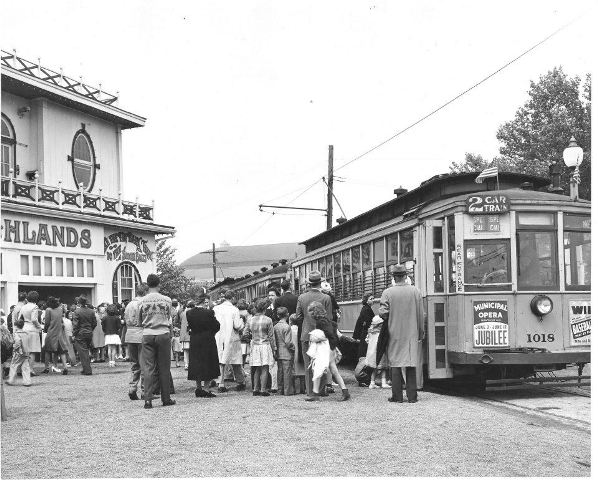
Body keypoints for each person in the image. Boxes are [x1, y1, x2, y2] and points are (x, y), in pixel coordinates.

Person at [378, 264, 424, 403]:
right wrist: (420, 332)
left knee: (395, 364)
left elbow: (383, 313)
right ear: (406, 276)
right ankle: (412, 397)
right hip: (411, 333)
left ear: (394, 277)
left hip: (394, 333)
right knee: (410, 364)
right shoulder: (416, 291)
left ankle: (397, 397)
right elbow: (421, 315)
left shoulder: (388, 292)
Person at [138, 273, 175, 409]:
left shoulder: (141, 301)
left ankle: (148, 400)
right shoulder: (167, 300)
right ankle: (166, 398)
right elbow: (169, 317)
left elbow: (139, 321)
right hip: (163, 334)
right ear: (159, 284)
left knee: (148, 368)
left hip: (147, 334)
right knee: (164, 367)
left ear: (147, 285)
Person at [295, 271, 333, 398]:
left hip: (306, 335)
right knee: (321, 363)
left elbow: (298, 317)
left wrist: (307, 322)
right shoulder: (326, 298)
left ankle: (310, 392)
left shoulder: (301, 298)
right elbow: (329, 318)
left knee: (308, 365)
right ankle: (321, 390)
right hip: (322, 335)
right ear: (320, 282)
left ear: (309, 283)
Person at [305, 301, 350, 402]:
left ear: (315, 311)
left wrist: (318, 338)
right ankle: (345, 391)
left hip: (327, 348)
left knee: (318, 369)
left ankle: (315, 394)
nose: (309, 314)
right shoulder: (327, 320)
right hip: (331, 348)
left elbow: (329, 335)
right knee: (333, 370)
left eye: (310, 311)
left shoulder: (321, 322)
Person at [187, 298, 221, 398]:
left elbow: (190, 326)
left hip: (195, 339)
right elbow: (217, 325)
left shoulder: (189, 313)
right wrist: (211, 332)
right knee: (208, 363)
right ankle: (206, 389)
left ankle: (198, 388)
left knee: (197, 363)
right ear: (204, 302)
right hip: (207, 339)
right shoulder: (209, 312)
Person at [213, 290, 245, 392]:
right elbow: (237, 325)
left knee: (221, 359)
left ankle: (221, 382)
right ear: (232, 298)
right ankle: (240, 381)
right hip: (231, 336)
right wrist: (242, 322)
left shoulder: (216, 308)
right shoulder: (234, 309)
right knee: (235, 360)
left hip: (218, 336)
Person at [243, 298, 275, 396]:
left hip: (255, 345)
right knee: (265, 368)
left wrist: (251, 338)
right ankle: (263, 389)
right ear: (265, 309)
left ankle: (255, 389)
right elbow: (271, 336)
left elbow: (245, 333)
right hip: (265, 345)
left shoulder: (250, 320)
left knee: (257, 368)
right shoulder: (268, 320)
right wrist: (274, 349)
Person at [124, 283, 149, 401]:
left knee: (134, 364)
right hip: (140, 333)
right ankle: (144, 391)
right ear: (145, 292)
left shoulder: (129, 304)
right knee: (144, 364)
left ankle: (132, 388)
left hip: (130, 334)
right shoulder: (143, 304)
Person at [42, 296, 69, 375]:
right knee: (61, 351)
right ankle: (65, 367)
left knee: (47, 350)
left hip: (51, 332)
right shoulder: (60, 309)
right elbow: (61, 320)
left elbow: (47, 322)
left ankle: (46, 368)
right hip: (59, 332)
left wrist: (45, 330)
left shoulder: (48, 310)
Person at [72, 296, 97, 376]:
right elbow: (94, 323)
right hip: (89, 333)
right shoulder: (91, 311)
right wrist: (90, 329)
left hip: (80, 333)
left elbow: (75, 325)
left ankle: (87, 370)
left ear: (78, 303)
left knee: (83, 352)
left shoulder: (77, 312)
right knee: (85, 350)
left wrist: (74, 334)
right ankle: (85, 368)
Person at [18, 291, 42, 375]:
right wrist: (39, 327)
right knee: (32, 350)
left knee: (24, 351)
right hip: (32, 329)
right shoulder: (35, 307)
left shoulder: (23, 307)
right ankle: (30, 370)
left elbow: (19, 319)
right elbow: (34, 319)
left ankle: (21, 369)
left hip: (24, 328)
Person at [364, 315, 391, 389]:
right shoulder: (380, 333)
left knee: (374, 368)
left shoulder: (370, 332)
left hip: (371, 353)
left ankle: (372, 383)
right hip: (380, 352)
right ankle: (384, 383)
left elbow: (366, 340)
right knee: (383, 367)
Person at [273, 307, 294, 395]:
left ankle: (280, 389)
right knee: (287, 372)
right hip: (286, 352)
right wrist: (293, 348)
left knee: (280, 371)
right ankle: (287, 390)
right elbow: (288, 342)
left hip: (278, 351)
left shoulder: (275, 326)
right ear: (287, 314)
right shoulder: (287, 327)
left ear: (278, 315)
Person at [5, 317, 31, 387]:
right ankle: (27, 381)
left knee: (14, 365)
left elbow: (18, 342)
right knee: (25, 367)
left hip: (19, 352)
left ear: (16, 326)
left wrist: (14, 347)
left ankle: (11, 380)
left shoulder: (16, 334)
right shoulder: (26, 333)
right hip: (26, 352)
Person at [353, 293, 375, 361]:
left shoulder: (366, 308)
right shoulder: (367, 309)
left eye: (373, 299)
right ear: (366, 300)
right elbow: (367, 321)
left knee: (363, 349)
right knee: (364, 349)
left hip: (364, 332)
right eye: (371, 299)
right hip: (365, 332)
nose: (373, 300)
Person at [179, 301, 192, 370]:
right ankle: (191, 364)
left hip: (184, 335)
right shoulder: (193, 312)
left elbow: (178, 321)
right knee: (192, 351)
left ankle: (186, 364)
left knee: (185, 351)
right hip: (191, 334)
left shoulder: (182, 313)